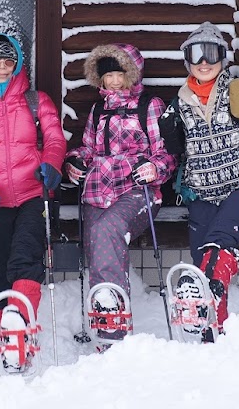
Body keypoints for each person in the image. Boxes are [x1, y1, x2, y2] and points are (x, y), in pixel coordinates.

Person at [159, 22, 239, 339]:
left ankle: (206, 311)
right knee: (206, 259)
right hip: (200, 191)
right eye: (196, 54)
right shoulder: (180, 103)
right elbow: (177, 151)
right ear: (187, 60)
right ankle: (213, 332)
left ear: (223, 57)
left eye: (211, 53)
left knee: (219, 244)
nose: (204, 62)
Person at [0, 29, 66, 362]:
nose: (2, 68)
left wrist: (51, 165)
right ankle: (2, 336)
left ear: (18, 62)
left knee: (25, 257)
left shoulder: (37, 101)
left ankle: (19, 327)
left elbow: (55, 140)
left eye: (8, 61)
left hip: (35, 194)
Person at [63, 42, 174, 347]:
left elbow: (166, 153)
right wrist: (75, 162)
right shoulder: (99, 109)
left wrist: (154, 168)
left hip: (137, 191)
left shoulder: (149, 106)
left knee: (107, 228)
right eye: (107, 75)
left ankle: (114, 318)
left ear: (132, 74)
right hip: (98, 190)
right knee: (99, 243)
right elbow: (88, 147)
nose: (112, 81)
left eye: (118, 74)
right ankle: (105, 321)